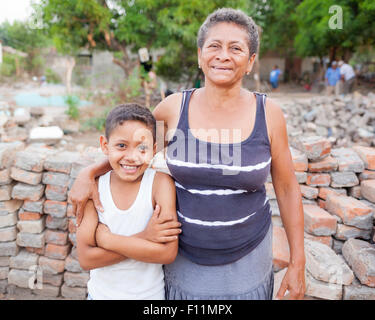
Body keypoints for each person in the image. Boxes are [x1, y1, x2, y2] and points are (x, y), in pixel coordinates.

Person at [69, 8, 305, 300]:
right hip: (184, 259)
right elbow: (136, 150)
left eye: (236, 48)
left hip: (248, 257)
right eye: (214, 46)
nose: (223, 55)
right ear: (199, 55)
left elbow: (286, 187)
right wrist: (89, 173)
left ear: (251, 61)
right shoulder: (172, 109)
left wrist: (298, 262)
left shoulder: (268, 114)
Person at [76, 104, 180, 300]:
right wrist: (145, 237)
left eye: (142, 148)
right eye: (122, 146)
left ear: (154, 149)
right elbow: (86, 258)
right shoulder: (95, 189)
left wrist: (108, 240)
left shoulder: (159, 183)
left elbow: (167, 253)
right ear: (105, 145)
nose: (132, 157)